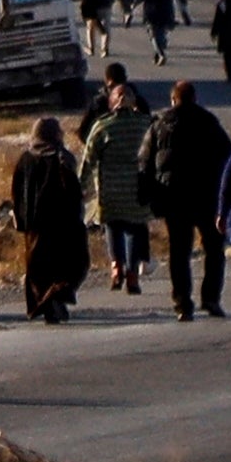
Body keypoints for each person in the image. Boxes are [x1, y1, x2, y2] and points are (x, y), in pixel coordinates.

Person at [150, 82, 231, 321]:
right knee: (214, 248)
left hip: (174, 196)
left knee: (179, 251)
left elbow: (145, 160)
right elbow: (228, 156)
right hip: (206, 195)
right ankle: (211, 298)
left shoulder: (161, 124)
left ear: (173, 99)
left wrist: (149, 194)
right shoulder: (208, 122)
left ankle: (182, 302)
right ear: (194, 98)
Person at [74, 75, 157, 303]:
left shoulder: (103, 125)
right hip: (137, 188)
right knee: (133, 228)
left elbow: (88, 160)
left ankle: (115, 266)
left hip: (109, 187)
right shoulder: (146, 124)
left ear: (112, 102)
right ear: (133, 101)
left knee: (112, 226)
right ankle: (132, 274)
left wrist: (81, 188)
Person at [8, 113, 88, 322]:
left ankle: (48, 303)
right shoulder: (63, 157)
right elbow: (73, 190)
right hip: (64, 221)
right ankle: (55, 297)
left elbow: (17, 192)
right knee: (71, 264)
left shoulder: (25, 159)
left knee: (39, 269)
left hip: (34, 224)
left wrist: (19, 218)